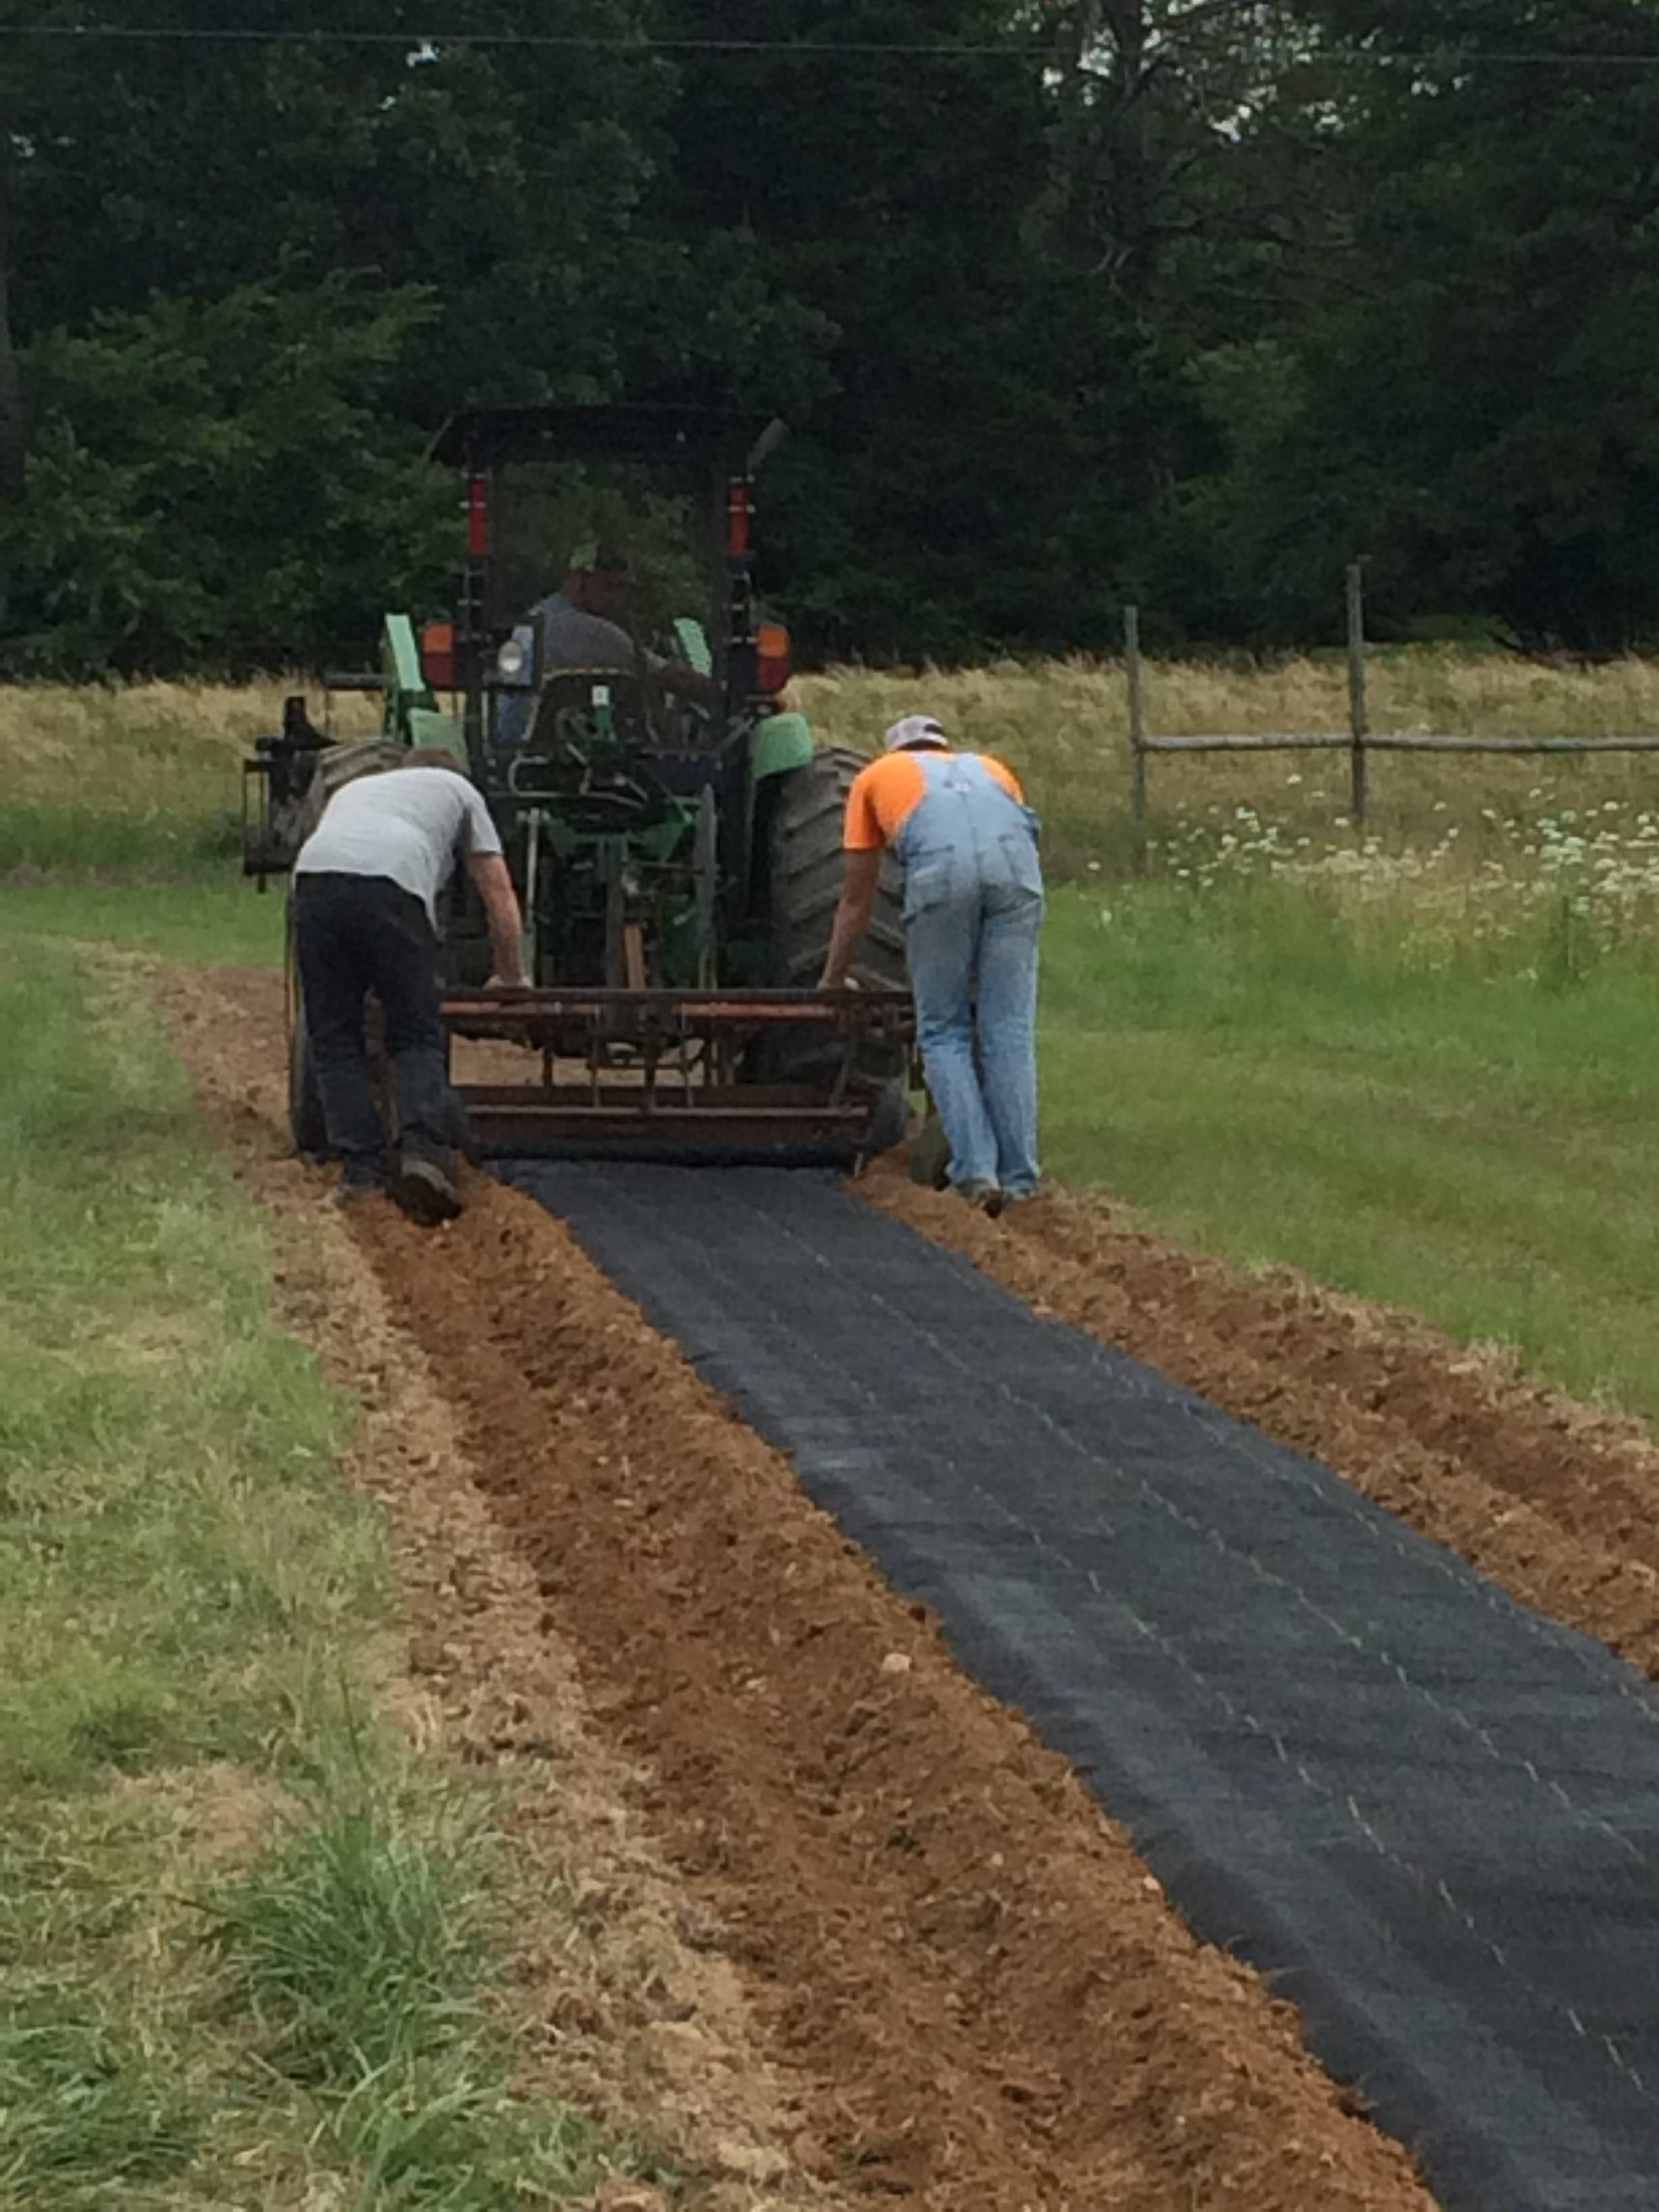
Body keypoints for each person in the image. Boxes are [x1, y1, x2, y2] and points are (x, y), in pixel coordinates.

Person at [819, 714, 1044, 1216]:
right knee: (1007, 1031)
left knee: (944, 1032)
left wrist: (833, 979)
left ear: (894, 751)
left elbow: (857, 899)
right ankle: (1022, 1179)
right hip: (1017, 876)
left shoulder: (873, 779)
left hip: (941, 875)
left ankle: (975, 1173)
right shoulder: (993, 769)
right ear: (942, 748)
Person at [291, 747, 529, 1222]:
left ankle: (361, 1173)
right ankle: (422, 1151)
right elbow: (498, 897)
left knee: (336, 1038)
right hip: (392, 887)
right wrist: (510, 975)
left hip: (314, 883)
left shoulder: (355, 788)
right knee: (414, 1032)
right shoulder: (462, 791)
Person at [497, 541, 718, 745]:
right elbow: (672, 678)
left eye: (624, 589)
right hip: (552, 751)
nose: (620, 598)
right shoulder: (589, 632)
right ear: (578, 581)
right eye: (609, 587)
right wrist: (722, 693)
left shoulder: (537, 617)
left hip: (513, 746)